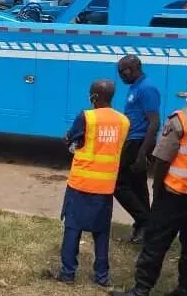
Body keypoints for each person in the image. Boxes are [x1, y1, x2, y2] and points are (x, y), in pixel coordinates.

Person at [113, 72, 187, 296]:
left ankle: (141, 289)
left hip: (176, 194)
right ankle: (184, 289)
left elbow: (162, 159)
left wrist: (157, 190)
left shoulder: (181, 119)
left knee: (156, 241)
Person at [51, 80, 129, 287]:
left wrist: (71, 141)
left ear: (94, 96)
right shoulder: (123, 121)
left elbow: (69, 138)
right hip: (105, 187)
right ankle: (102, 276)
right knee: (101, 231)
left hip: (81, 183)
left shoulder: (87, 117)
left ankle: (68, 273)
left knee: (73, 228)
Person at [116, 54, 161, 243]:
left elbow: (154, 122)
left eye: (123, 71)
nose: (121, 76)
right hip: (132, 141)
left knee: (117, 184)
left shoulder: (147, 88)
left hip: (138, 143)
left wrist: (143, 153)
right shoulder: (135, 87)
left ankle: (146, 221)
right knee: (138, 186)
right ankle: (143, 228)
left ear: (135, 68)